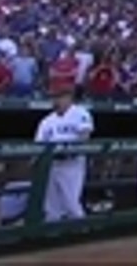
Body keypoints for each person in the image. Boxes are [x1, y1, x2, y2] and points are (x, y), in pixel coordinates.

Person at [33, 84, 93, 222]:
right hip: (51, 165)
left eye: (60, 97)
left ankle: (82, 232)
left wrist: (70, 150)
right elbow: (38, 145)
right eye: (54, 97)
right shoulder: (46, 121)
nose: (56, 100)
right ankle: (54, 235)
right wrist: (35, 161)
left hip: (72, 165)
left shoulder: (80, 113)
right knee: (51, 206)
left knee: (71, 202)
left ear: (69, 97)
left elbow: (85, 135)